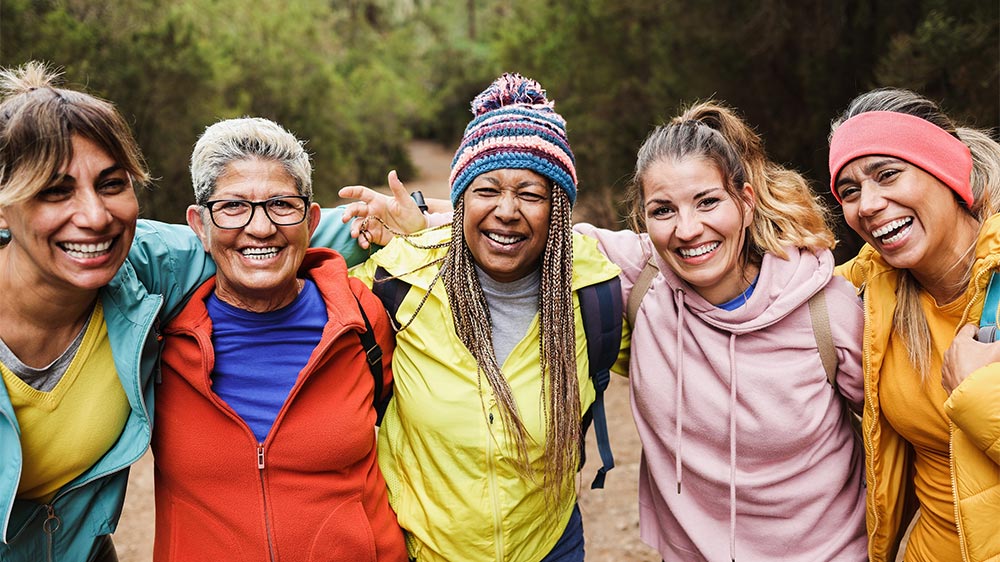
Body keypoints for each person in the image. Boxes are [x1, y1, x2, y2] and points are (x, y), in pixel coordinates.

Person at [0, 62, 366, 562]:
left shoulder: (142, 267)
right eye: (54, 191)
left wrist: (437, 213)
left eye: (111, 184)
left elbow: (264, 234)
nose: (93, 216)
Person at [343, 73, 628, 562]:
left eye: (532, 194)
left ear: (558, 211)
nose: (507, 211)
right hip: (422, 550)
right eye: (487, 190)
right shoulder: (399, 280)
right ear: (460, 202)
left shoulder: (595, 291)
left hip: (550, 546)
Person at [570, 101, 867, 561]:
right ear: (643, 220)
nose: (688, 230)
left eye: (707, 202)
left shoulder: (826, 311)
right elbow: (526, 230)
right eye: (663, 210)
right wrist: (425, 217)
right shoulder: (643, 278)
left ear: (746, 203)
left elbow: (902, 432)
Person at [150, 117, 407, 562]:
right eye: (232, 207)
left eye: (282, 205)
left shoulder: (362, 318)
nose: (261, 228)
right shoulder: (159, 338)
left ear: (310, 220)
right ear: (199, 224)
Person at [829, 88, 1000, 562]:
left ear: (945, 169)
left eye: (887, 174)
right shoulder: (872, 288)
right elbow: (765, 299)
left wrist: (979, 393)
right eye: (849, 191)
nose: (867, 204)